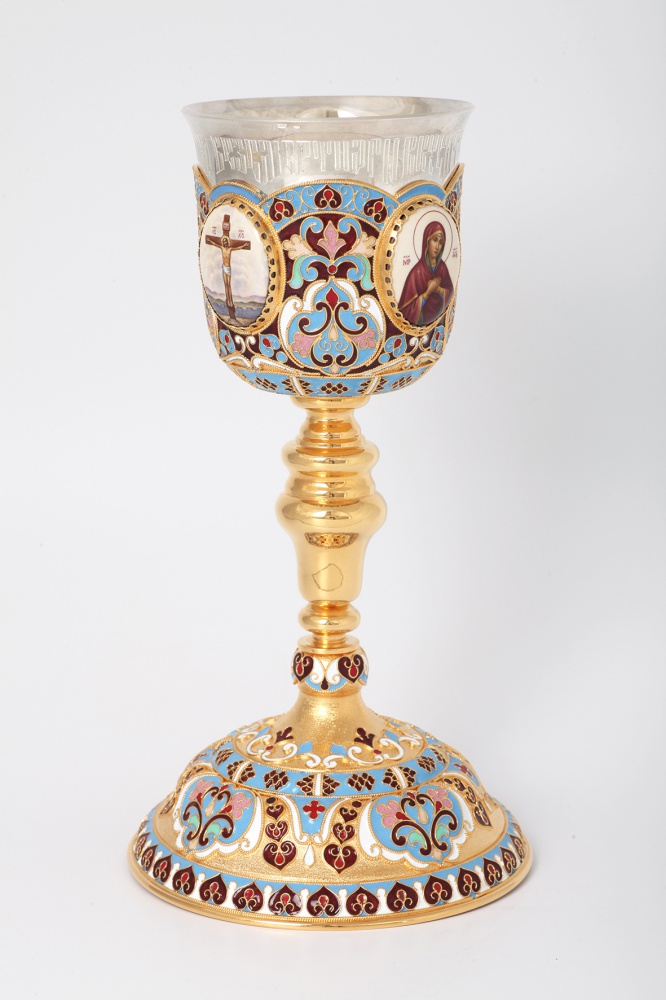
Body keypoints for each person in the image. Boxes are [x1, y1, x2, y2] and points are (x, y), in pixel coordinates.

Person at [397, 220, 454, 327]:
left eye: (440, 242)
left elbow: (451, 292)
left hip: (437, 325)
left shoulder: (442, 268)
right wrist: (427, 293)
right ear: (427, 241)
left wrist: (439, 290)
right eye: (434, 240)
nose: (437, 246)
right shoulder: (416, 273)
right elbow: (405, 311)